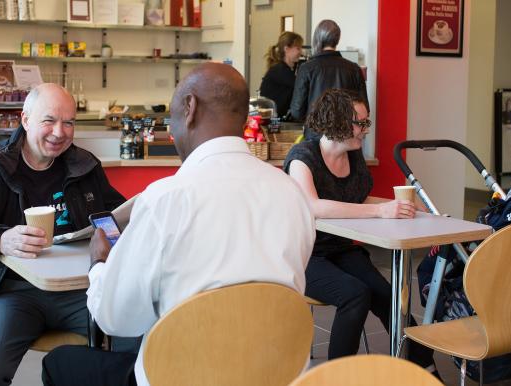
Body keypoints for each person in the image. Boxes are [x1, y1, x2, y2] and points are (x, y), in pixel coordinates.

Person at [41, 63, 316, 386]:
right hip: (275, 374)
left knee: (60, 364)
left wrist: (99, 263)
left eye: (171, 117)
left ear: (190, 108)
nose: (172, 130)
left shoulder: (166, 200)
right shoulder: (291, 194)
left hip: (181, 376)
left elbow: (115, 318)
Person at [0, 83, 126, 385]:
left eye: (69, 122)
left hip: (80, 288)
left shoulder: (86, 165)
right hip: (11, 292)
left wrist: (119, 230)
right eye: (49, 121)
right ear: (26, 119)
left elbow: (114, 214)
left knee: (135, 336)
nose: (60, 132)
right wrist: (1, 238)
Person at [284, 88, 438, 376]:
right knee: (354, 294)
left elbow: (355, 201)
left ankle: (425, 369)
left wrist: (401, 207)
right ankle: (334, 378)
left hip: (339, 249)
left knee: (388, 297)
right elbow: (313, 206)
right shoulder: (302, 157)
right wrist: (381, 211)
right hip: (304, 254)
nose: (366, 129)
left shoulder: (353, 156)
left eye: (367, 122)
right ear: (337, 121)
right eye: (360, 123)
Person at [289, 19, 369, 140]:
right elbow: (365, 108)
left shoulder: (307, 68)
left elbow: (296, 111)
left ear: (317, 38)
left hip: (316, 138)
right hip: (347, 137)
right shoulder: (354, 69)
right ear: (337, 39)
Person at [260, 31, 303, 119]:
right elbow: (301, 86)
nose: (301, 52)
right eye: (298, 48)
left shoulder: (285, 69)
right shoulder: (280, 70)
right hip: (273, 120)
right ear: (286, 49)